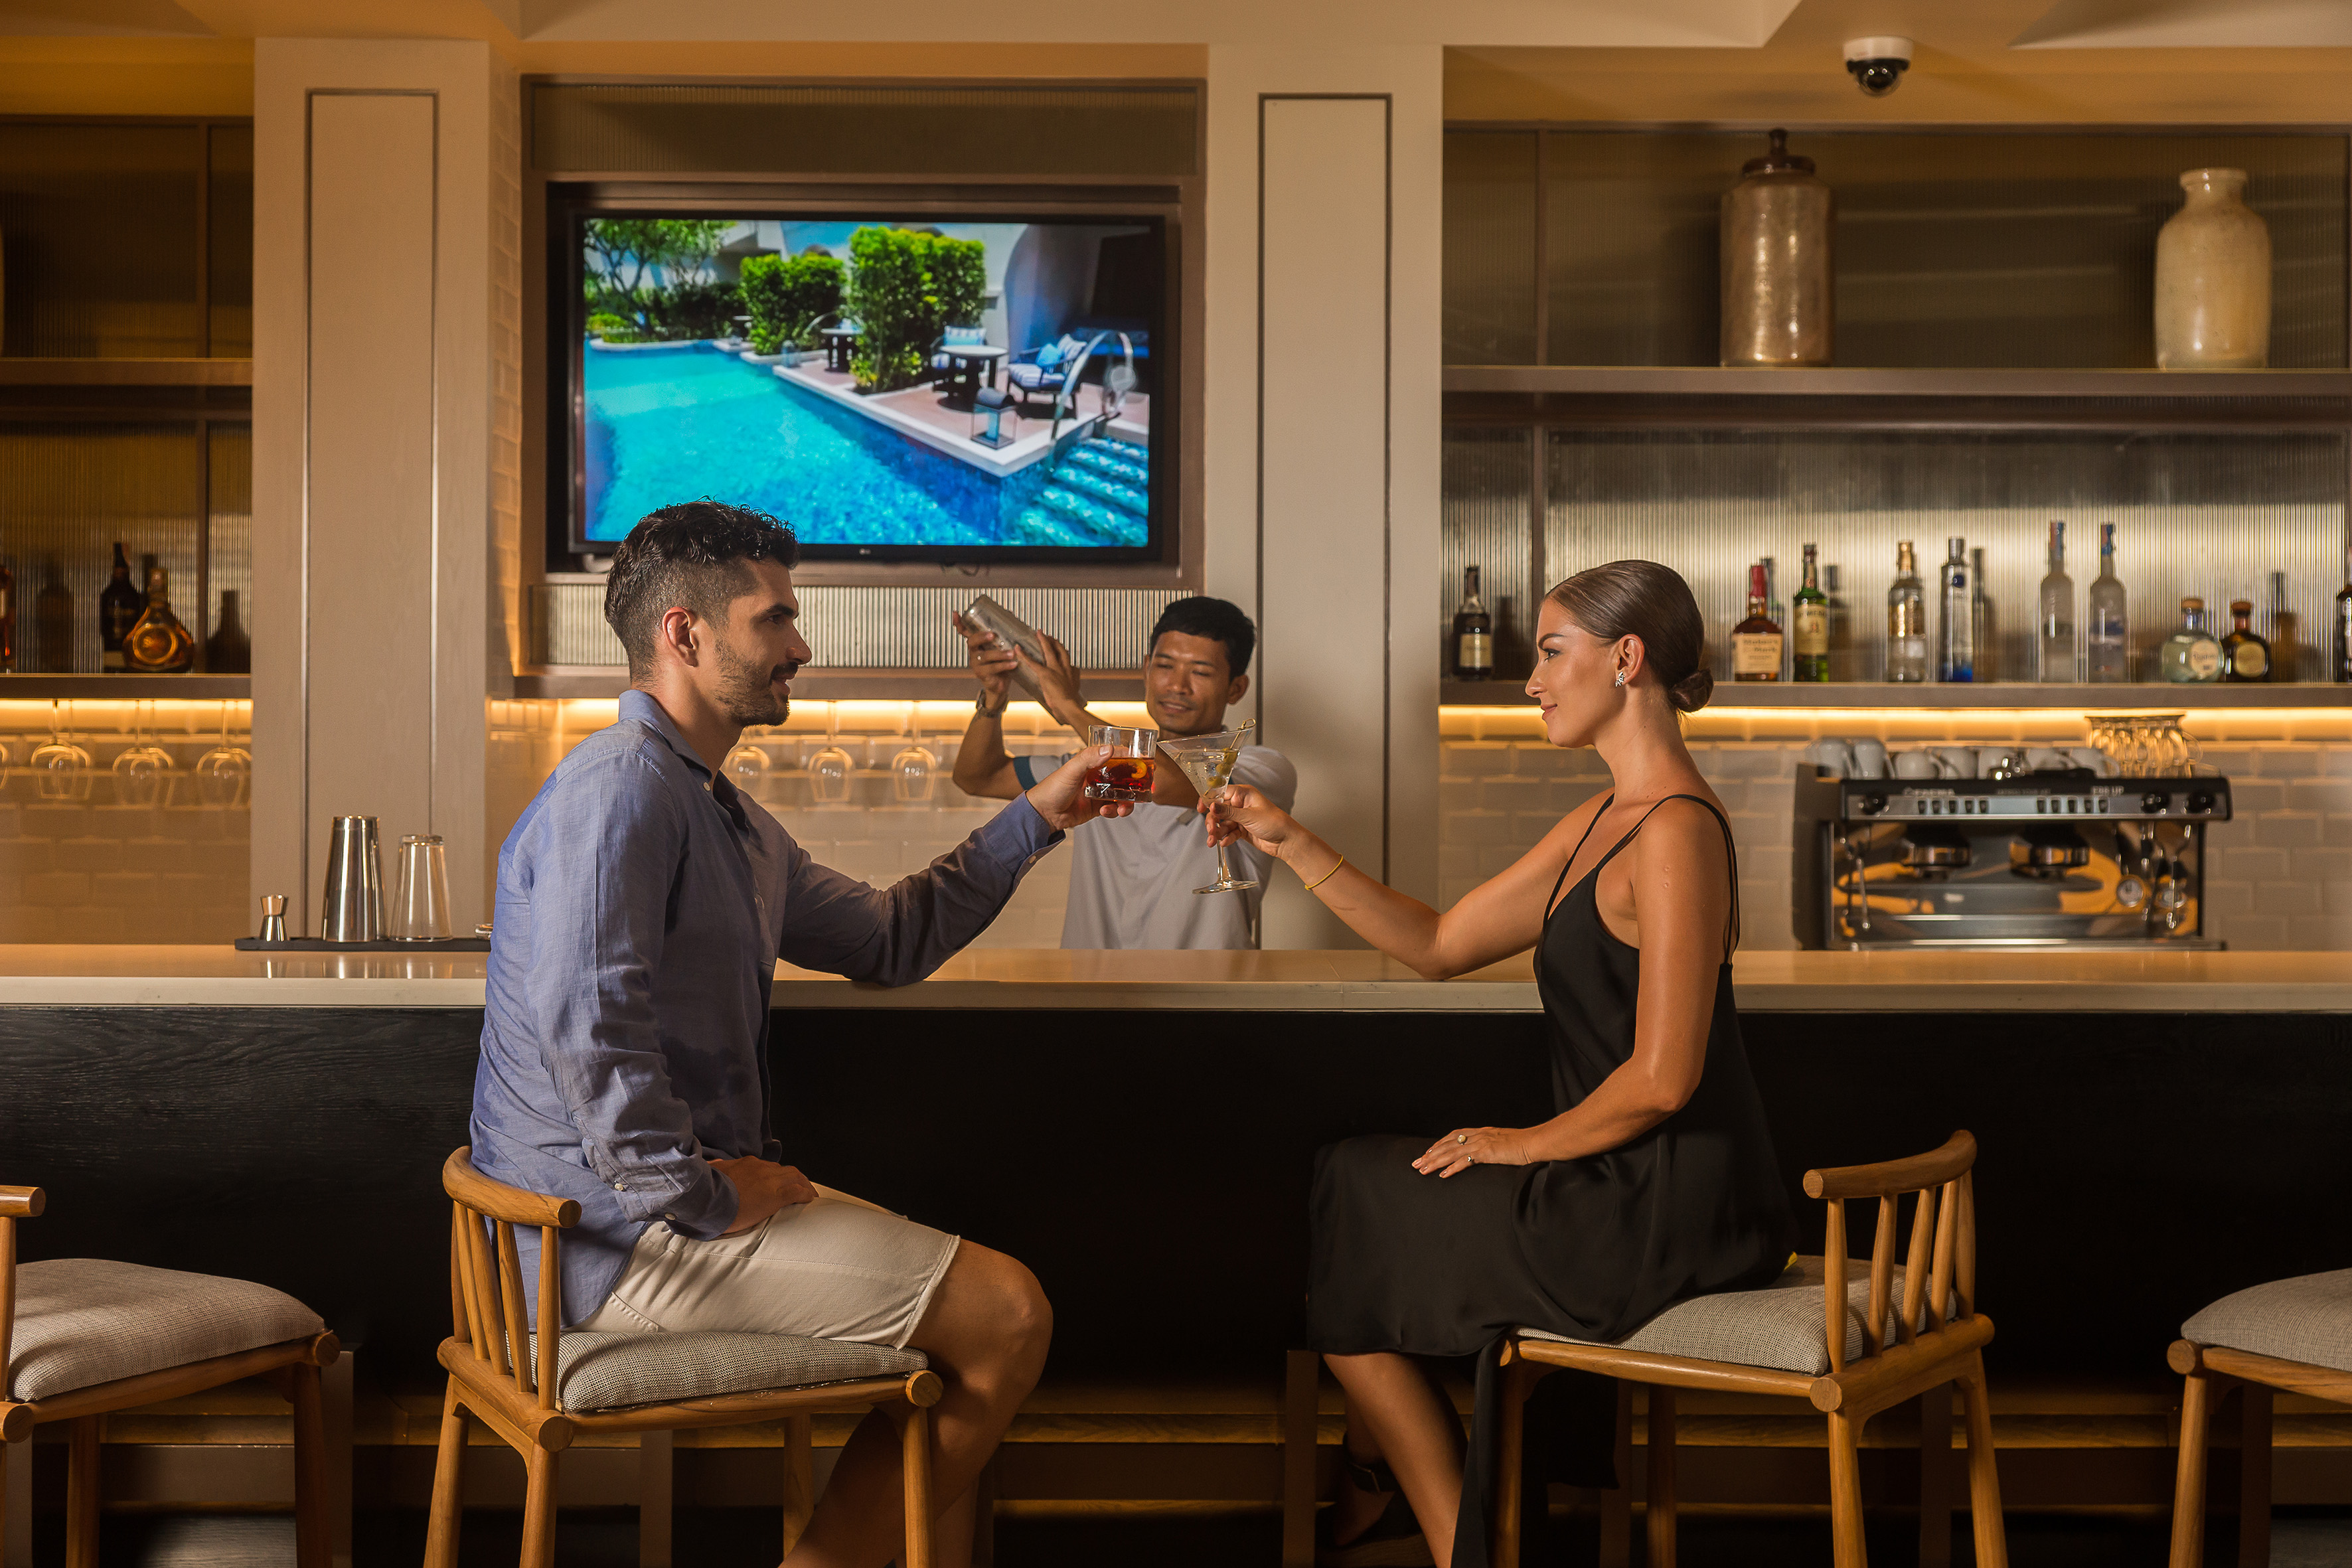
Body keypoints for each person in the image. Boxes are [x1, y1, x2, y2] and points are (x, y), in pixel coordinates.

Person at [471, 501, 1130, 1568]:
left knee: (976, 1324)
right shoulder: (619, 789)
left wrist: (1040, 814)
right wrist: (712, 1194)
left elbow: (887, 934)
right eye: (774, 619)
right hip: (604, 1244)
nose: (801, 645)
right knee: (1005, 1314)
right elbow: (592, 1042)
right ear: (684, 633)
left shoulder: (720, 813)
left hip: (643, 1219)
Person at [1206, 560, 1794, 1568]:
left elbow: (1663, 1076)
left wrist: (1517, 1145)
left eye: (1551, 652)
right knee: (1350, 1193)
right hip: (1611, 1176)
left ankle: (1447, 1536)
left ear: (1626, 659)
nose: (1530, 679)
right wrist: (1288, 839)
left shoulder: (1675, 832)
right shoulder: (1601, 822)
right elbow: (1436, 943)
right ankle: (1455, 1536)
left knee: (1355, 1212)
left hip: (1670, 1201)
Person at [951, 595, 1297, 949]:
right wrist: (993, 697)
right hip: (1094, 992)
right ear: (1146, 668)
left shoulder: (1261, 768)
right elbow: (978, 777)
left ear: (1236, 688)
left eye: (1201, 672)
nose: (1177, 685)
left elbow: (1164, 781)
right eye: (1165, 666)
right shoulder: (1092, 764)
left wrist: (1068, 706)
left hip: (1206, 996)